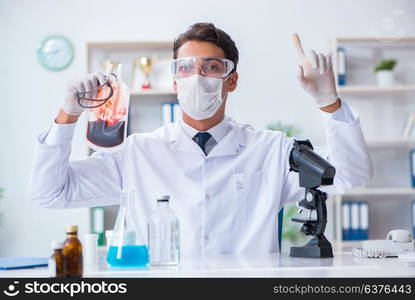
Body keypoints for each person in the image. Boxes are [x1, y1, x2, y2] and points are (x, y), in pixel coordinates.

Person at [29, 23, 373, 256]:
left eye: (210, 67)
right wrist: (67, 116)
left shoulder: (271, 149)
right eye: (185, 68)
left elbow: (350, 174)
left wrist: (328, 101)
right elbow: (51, 193)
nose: (197, 77)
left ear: (232, 79)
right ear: (175, 80)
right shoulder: (137, 152)